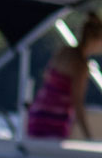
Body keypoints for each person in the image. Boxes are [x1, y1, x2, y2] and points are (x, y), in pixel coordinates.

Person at [26, 13, 102, 141]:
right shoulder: (80, 64)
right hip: (54, 121)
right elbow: (77, 102)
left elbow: (47, 82)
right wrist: (89, 138)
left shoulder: (64, 52)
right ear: (97, 39)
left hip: (37, 115)